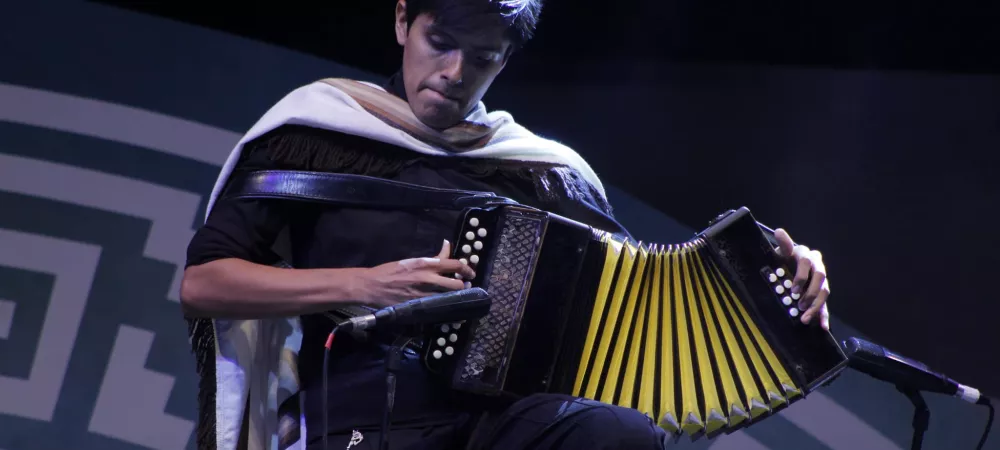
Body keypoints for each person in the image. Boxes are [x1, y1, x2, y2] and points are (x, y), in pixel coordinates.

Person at [180, 0, 832, 449]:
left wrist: (778, 284)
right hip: (363, 405)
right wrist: (366, 284)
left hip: (504, 420)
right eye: (442, 43)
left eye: (483, 58)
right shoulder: (317, 130)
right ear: (404, 18)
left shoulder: (542, 171)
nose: (455, 74)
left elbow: (646, 311)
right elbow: (205, 285)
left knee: (617, 435)